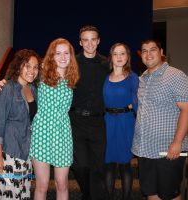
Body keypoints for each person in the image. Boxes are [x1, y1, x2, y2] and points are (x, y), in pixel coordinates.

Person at [132, 39, 188, 200]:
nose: (148, 54)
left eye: (152, 50)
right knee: (150, 193)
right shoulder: (143, 78)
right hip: (145, 149)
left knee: (170, 194)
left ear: (161, 53)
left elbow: (187, 109)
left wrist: (177, 142)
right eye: (144, 51)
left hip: (167, 149)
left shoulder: (175, 75)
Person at [29, 38, 79, 200]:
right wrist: (3, 81)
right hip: (41, 132)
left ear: (71, 56)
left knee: (62, 184)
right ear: (52, 56)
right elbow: (21, 78)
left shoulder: (72, 78)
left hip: (63, 133)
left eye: (66, 53)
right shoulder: (42, 73)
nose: (63, 57)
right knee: (42, 185)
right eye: (58, 53)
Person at [0, 49, 41, 200]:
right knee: (10, 195)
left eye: (36, 67)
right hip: (10, 152)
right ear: (18, 66)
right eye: (27, 66)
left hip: (27, 152)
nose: (32, 71)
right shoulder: (6, 88)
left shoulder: (33, 89)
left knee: (23, 194)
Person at [69, 25, 109, 200]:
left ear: (98, 41)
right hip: (76, 120)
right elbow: (49, 74)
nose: (90, 43)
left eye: (93, 39)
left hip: (98, 122)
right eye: (85, 40)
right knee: (80, 166)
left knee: (98, 168)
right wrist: (7, 81)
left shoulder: (106, 63)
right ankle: (88, 194)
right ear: (80, 42)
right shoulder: (72, 63)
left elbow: (125, 76)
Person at [103, 43, 139, 200]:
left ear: (127, 57)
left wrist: (133, 105)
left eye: (122, 53)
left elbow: (140, 101)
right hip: (107, 123)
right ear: (111, 57)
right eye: (115, 54)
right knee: (109, 165)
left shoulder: (133, 77)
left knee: (125, 165)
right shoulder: (104, 77)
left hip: (126, 123)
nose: (119, 57)